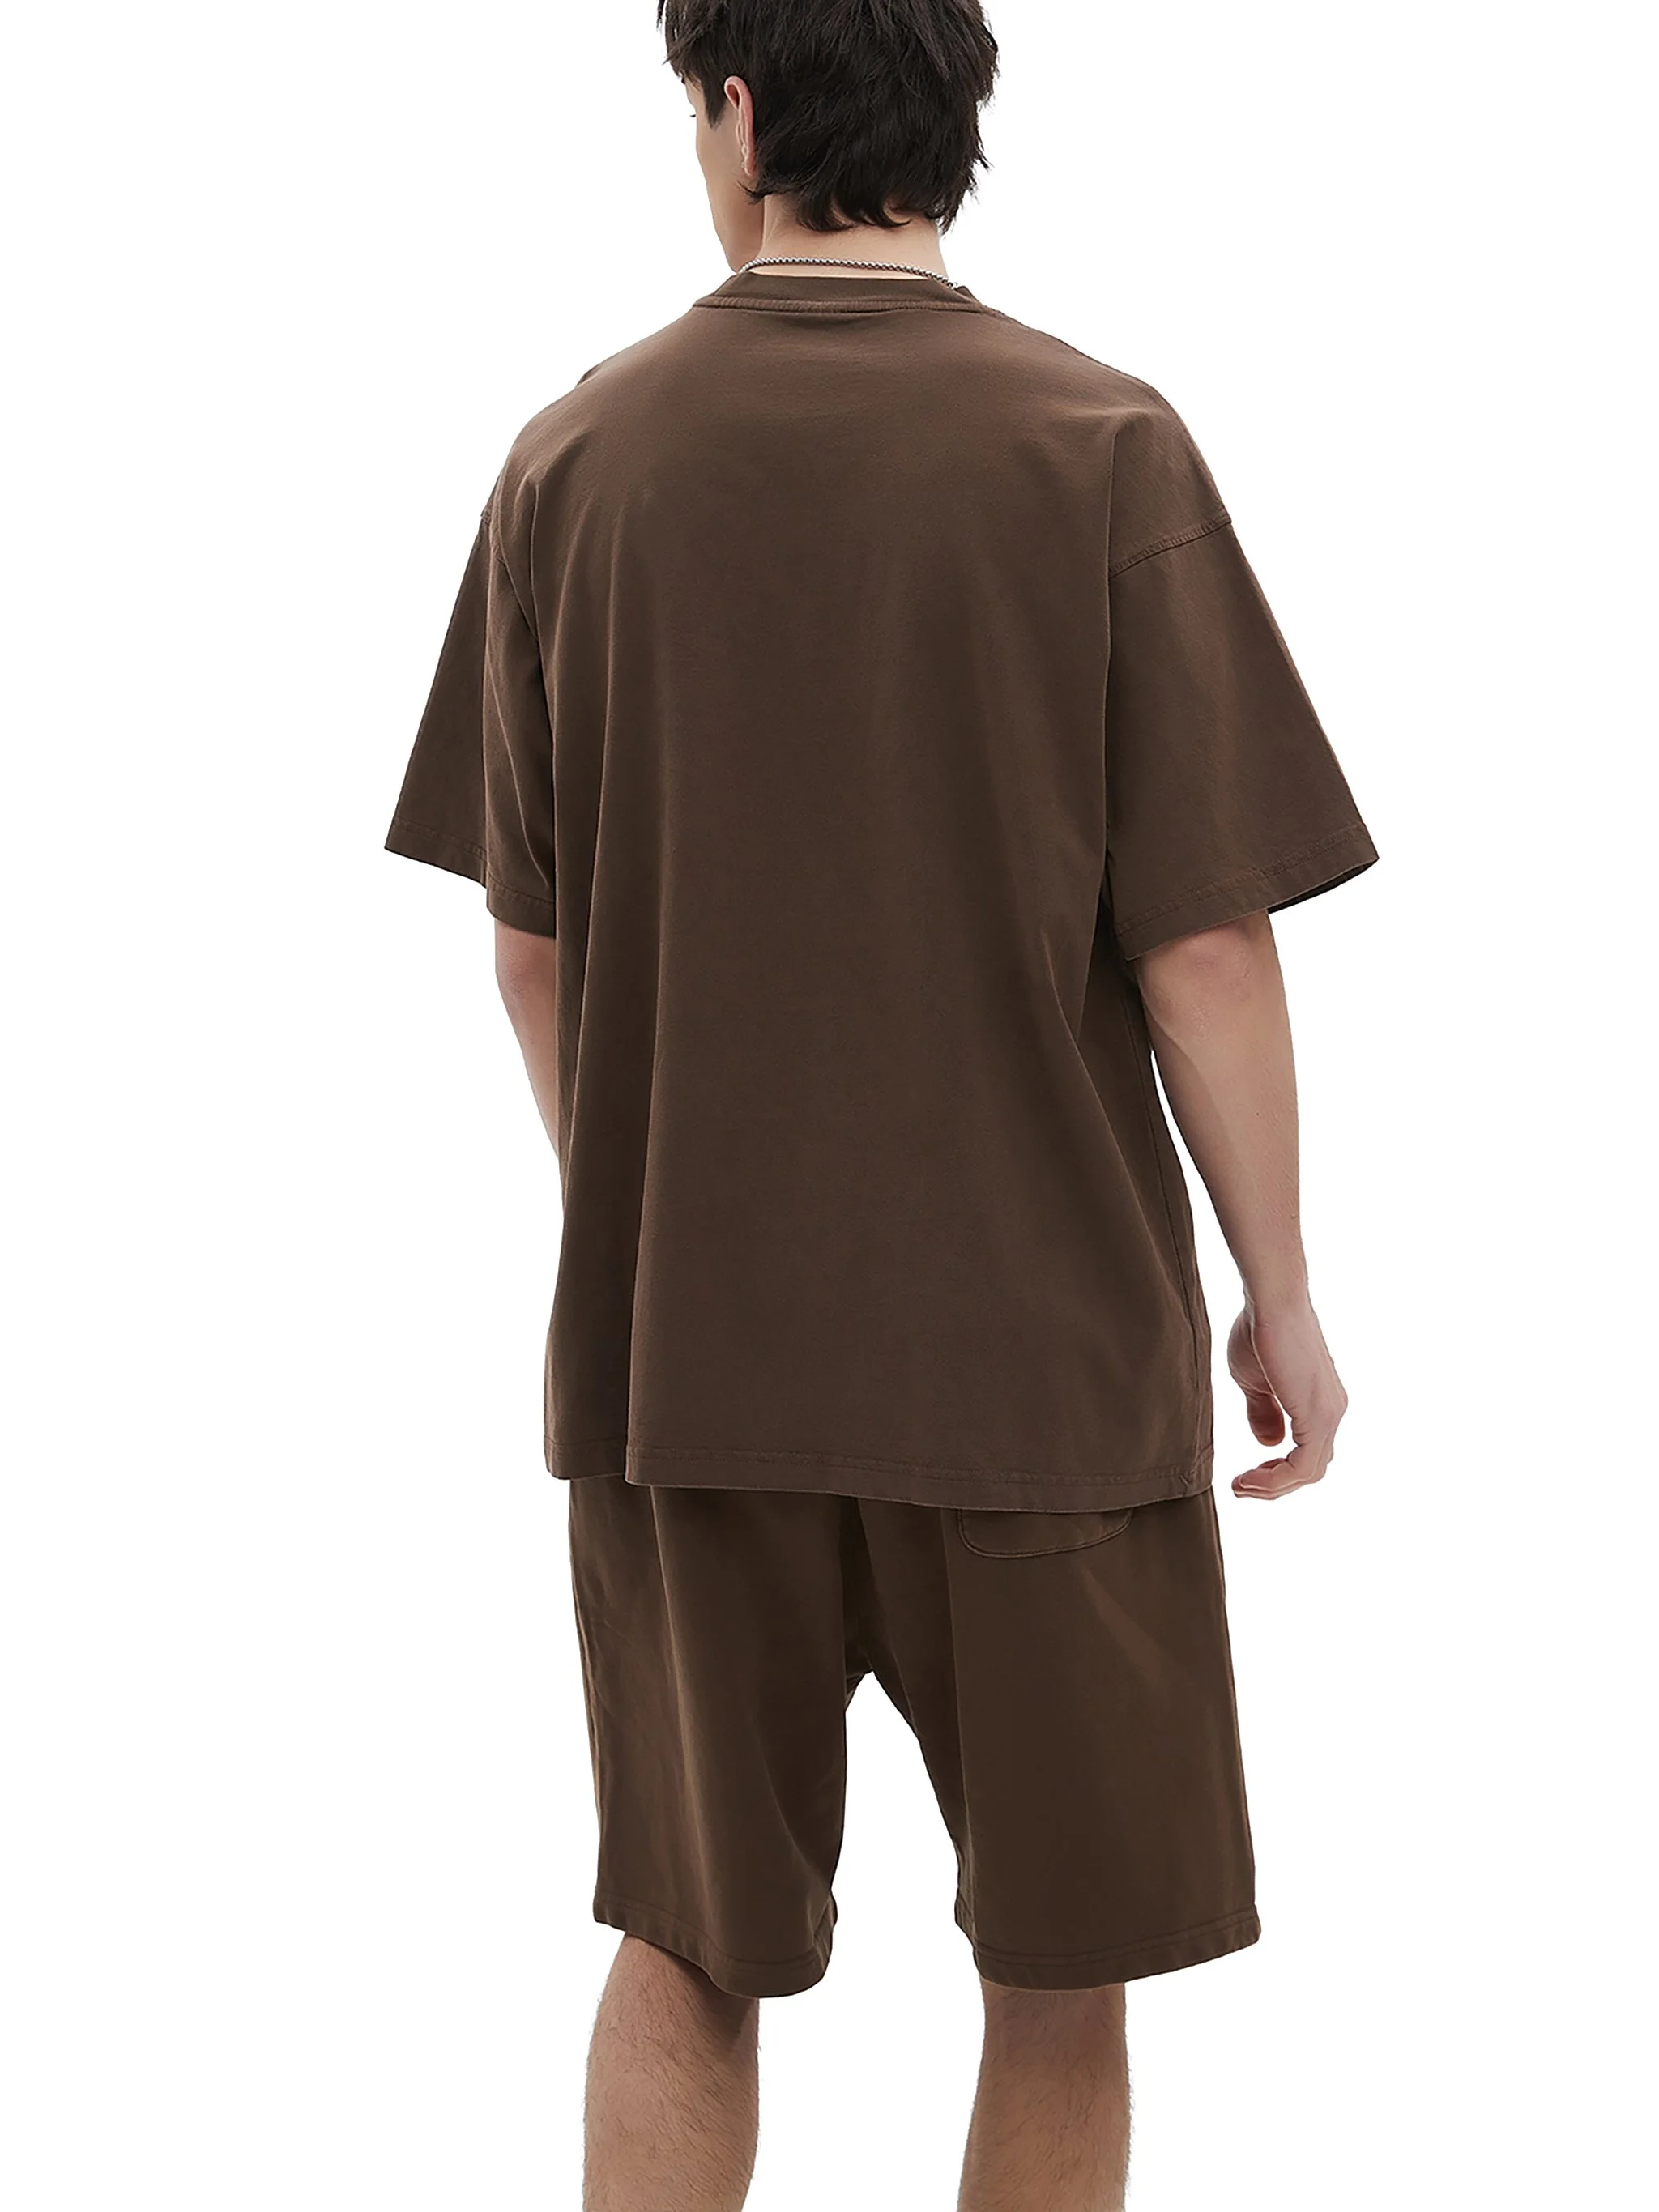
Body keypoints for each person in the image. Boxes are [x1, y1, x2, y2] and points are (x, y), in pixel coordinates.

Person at [384, 2, 1378, 2204]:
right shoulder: (1101, 445)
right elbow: (1208, 948)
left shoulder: (576, 463)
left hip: (691, 1373)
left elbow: (528, 954)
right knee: (1060, 1972)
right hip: (1043, 1373)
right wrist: (1283, 1295)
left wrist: (662, 1220)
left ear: (739, 112)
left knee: (687, 1944)